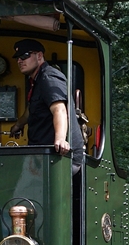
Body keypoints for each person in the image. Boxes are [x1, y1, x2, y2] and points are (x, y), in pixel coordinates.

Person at [9, 38, 83, 168]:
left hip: (59, 157)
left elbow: (59, 109)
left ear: (39, 56)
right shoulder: (36, 80)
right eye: (17, 58)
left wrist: (60, 139)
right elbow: (32, 108)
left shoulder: (48, 77)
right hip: (42, 155)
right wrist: (18, 125)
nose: (20, 61)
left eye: (24, 56)